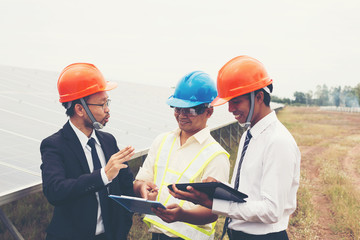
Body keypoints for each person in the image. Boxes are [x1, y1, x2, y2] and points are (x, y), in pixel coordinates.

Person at [169, 56, 301, 240]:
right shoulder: (250, 134)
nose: (230, 109)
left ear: (259, 97)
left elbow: (272, 210)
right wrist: (218, 188)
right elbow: (249, 192)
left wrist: (213, 203)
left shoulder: (278, 141)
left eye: (236, 101)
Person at [40, 63, 135, 240]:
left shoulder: (108, 140)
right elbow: (55, 191)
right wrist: (103, 175)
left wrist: (142, 189)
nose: (107, 109)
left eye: (108, 102)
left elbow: (126, 185)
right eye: (102, 104)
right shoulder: (54, 145)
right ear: (80, 109)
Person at [133, 71, 230, 240]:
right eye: (178, 108)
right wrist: (142, 189)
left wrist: (182, 215)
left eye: (191, 110)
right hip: (157, 233)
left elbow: (213, 211)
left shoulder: (216, 155)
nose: (182, 115)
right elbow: (140, 181)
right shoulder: (161, 141)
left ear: (209, 112)